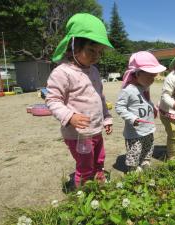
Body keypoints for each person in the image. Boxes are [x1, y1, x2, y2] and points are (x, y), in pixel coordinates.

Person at [46, 13, 113, 187]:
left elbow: (100, 97)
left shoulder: (95, 71)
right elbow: (52, 100)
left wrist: (106, 117)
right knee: (85, 166)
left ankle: (98, 186)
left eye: (99, 51)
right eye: (91, 50)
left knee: (99, 159)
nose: (96, 56)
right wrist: (69, 116)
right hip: (78, 134)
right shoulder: (63, 72)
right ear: (73, 46)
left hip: (95, 130)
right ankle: (83, 195)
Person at [116, 51, 166, 172]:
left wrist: (153, 107)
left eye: (154, 76)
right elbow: (119, 107)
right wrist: (132, 118)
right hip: (135, 130)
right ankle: (132, 168)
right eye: (150, 76)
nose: (153, 79)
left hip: (148, 128)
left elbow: (145, 101)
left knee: (148, 146)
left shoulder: (144, 87)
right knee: (135, 149)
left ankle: (145, 161)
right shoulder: (128, 90)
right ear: (138, 74)